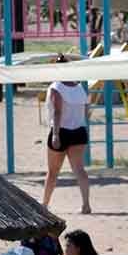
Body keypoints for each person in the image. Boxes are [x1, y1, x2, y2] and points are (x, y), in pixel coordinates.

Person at [42, 57, 92, 215]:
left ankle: (44, 205)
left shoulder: (56, 87)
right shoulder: (79, 88)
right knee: (79, 169)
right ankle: (86, 205)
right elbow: (87, 112)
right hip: (79, 131)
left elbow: (57, 112)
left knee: (53, 172)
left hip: (62, 131)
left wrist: (55, 135)